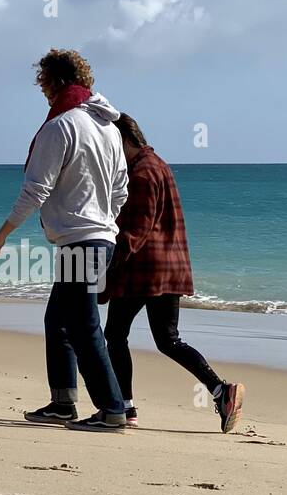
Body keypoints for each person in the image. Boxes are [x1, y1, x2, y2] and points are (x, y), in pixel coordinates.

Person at [0, 49, 129, 431]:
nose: (44, 94)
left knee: (83, 325)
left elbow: (35, 189)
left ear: (57, 82)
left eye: (45, 85)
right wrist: (104, 221)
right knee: (59, 319)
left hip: (81, 240)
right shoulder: (109, 129)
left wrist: (2, 234)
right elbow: (121, 190)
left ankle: (113, 409)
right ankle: (63, 403)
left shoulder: (60, 127)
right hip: (99, 238)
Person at [101, 113, 245, 433]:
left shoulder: (142, 173)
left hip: (144, 270)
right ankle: (221, 391)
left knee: (115, 334)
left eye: (110, 145)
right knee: (168, 340)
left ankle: (124, 407)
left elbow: (135, 232)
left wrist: (107, 271)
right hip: (169, 267)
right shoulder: (159, 164)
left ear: (123, 140)